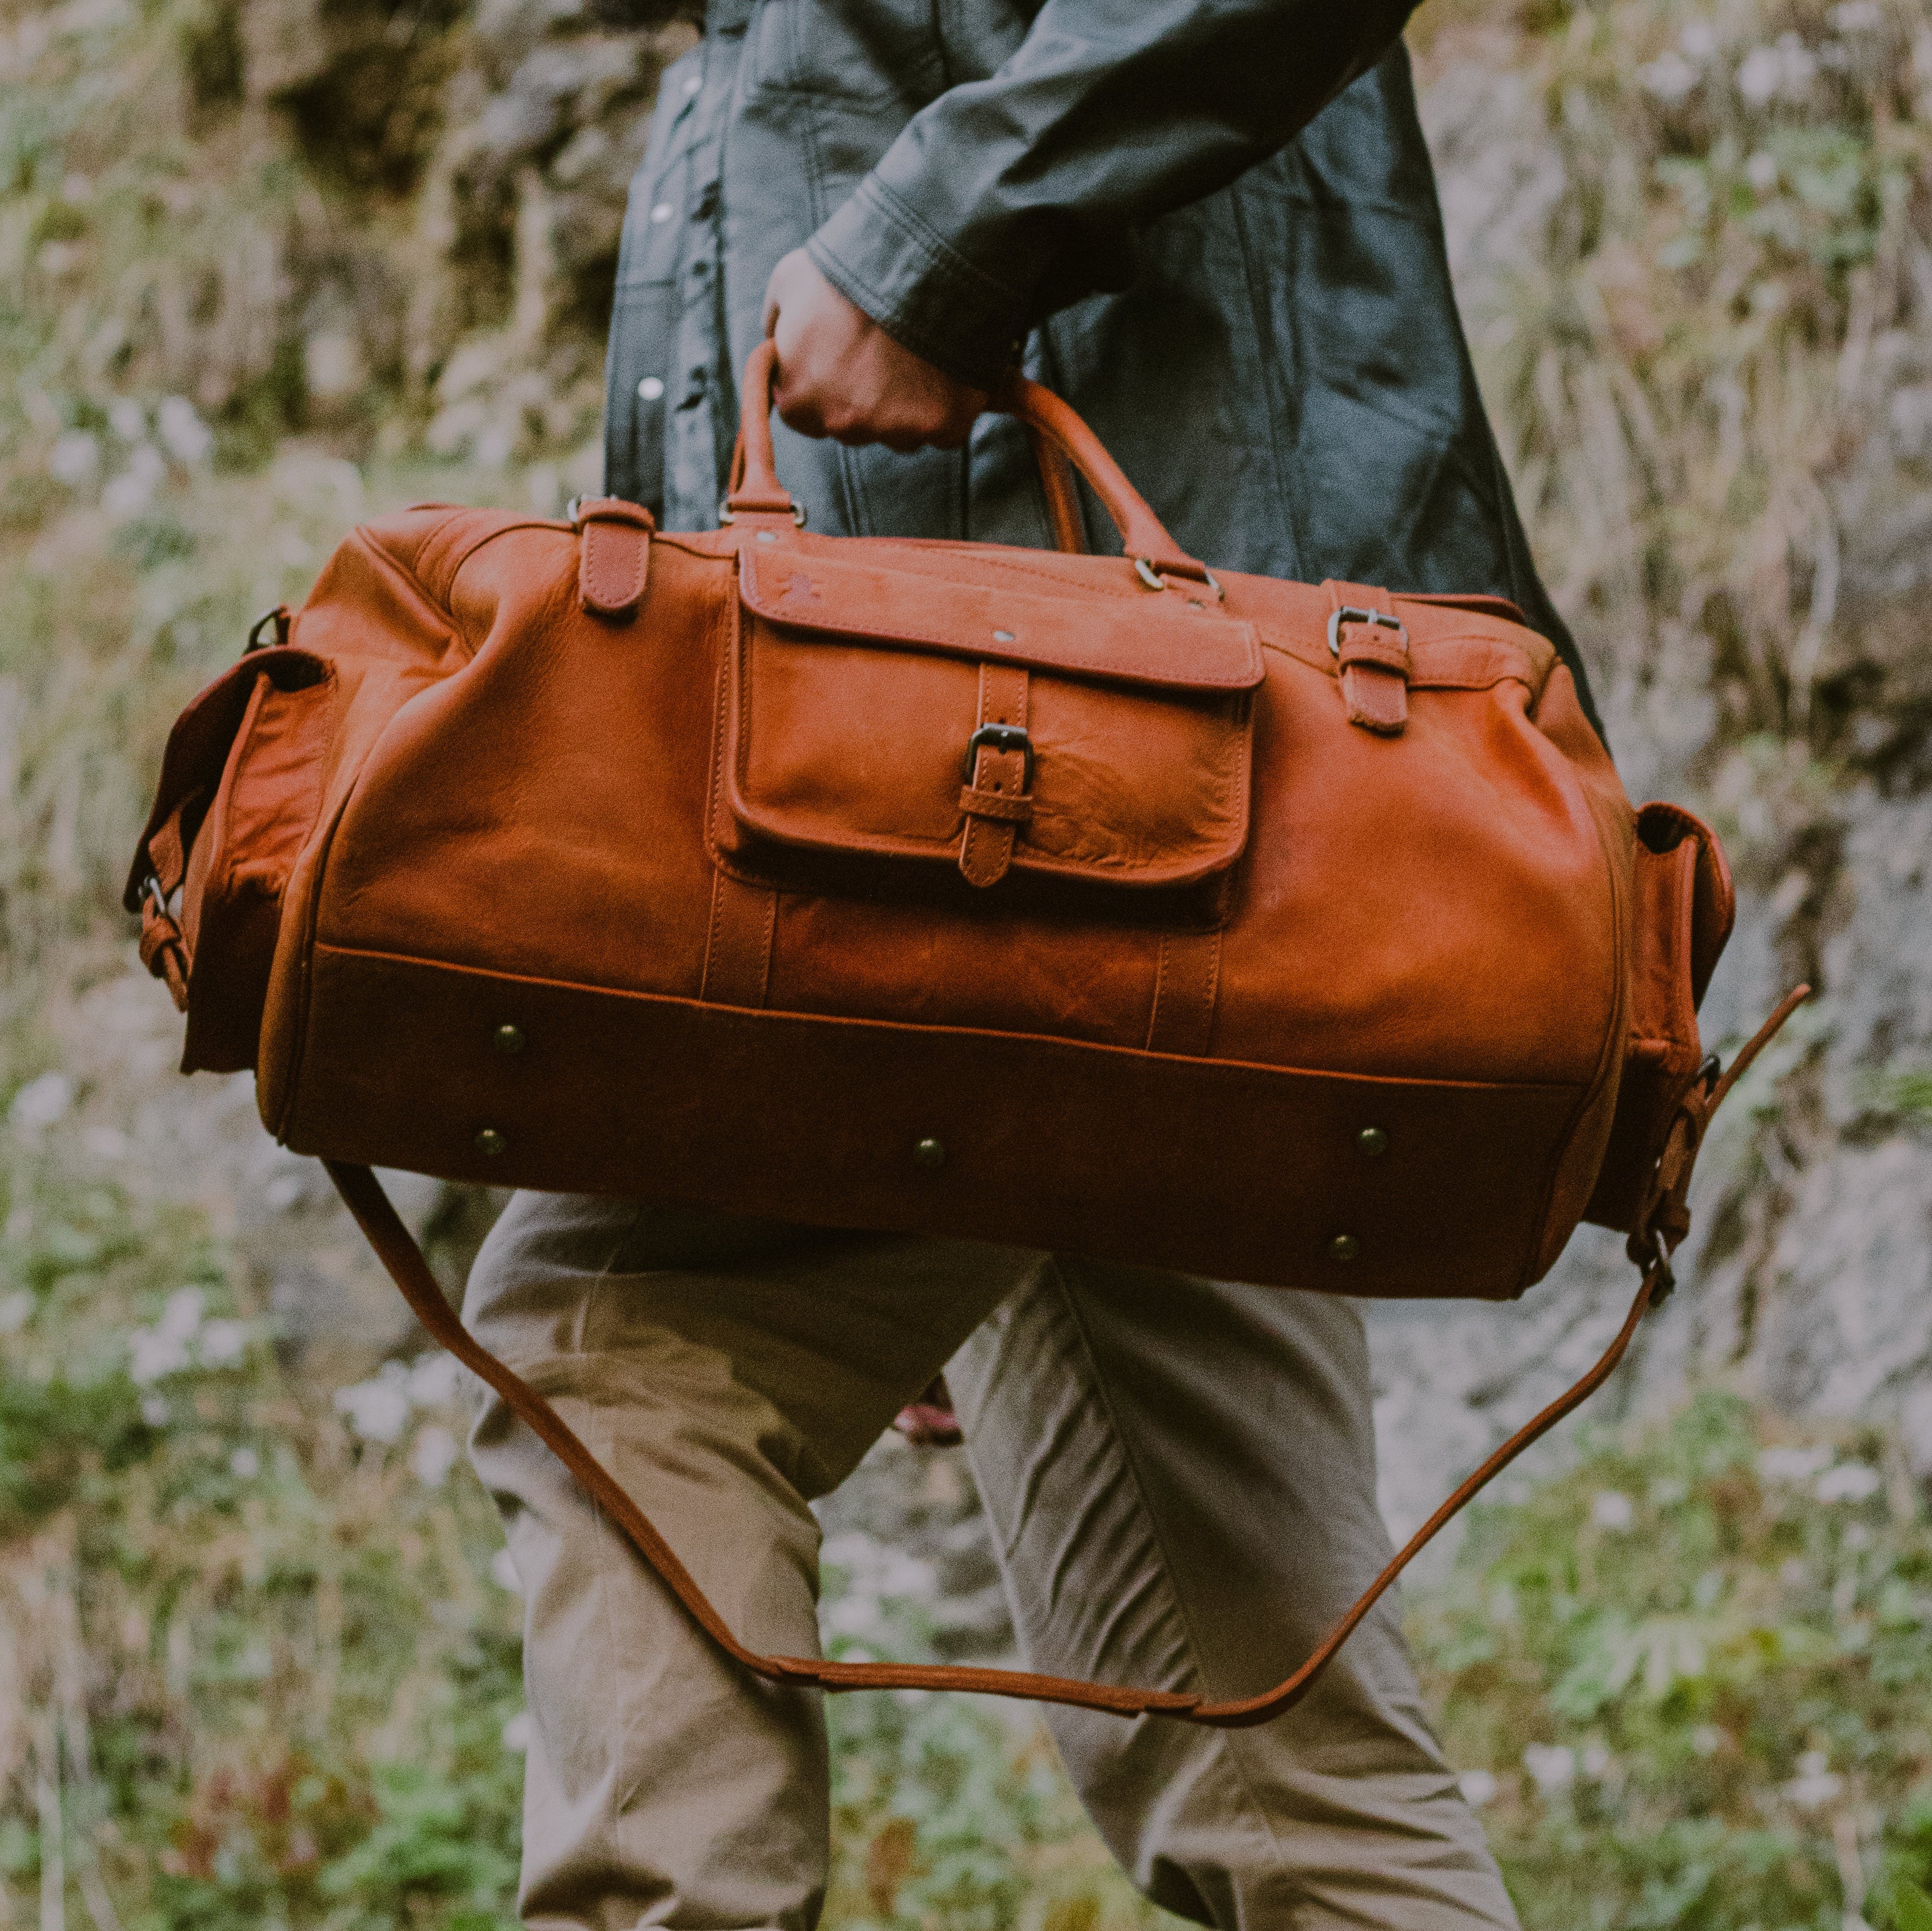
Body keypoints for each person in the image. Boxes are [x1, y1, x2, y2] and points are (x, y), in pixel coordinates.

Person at [464, 3, 1601, 1924]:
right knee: (1271, 1740)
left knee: (616, 1342)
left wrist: (933, 248)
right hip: (1100, 784)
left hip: (1011, 776)